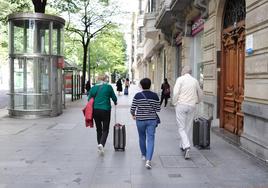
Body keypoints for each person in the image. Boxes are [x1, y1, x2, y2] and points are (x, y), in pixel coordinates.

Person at [172, 65, 203, 160]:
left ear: (184, 71)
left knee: (181, 127)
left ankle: (187, 146)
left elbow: (176, 92)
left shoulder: (180, 79)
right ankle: (182, 145)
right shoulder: (195, 80)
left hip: (181, 105)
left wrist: (174, 102)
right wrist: (198, 101)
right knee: (188, 127)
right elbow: (200, 93)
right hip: (192, 106)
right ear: (190, 72)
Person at [130, 78, 160, 169]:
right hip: (151, 120)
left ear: (141, 85)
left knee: (142, 137)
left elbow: (132, 109)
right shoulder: (155, 96)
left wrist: (133, 115)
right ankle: (148, 160)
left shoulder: (137, 96)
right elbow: (158, 109)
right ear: (150, 85)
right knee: (151, 139)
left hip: (140, 120)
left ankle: (143, 154)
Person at [88, 75, 117, 155]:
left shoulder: (93, 88)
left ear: (98, 80)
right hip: (105, 110)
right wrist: (115, 101)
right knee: (105, 129)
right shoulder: (108, 87)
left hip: (95, 110)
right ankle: (101, 144)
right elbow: (114, 97)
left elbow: (89, 99)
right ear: (105, 79)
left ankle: (100, 146)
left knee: (99, 129)